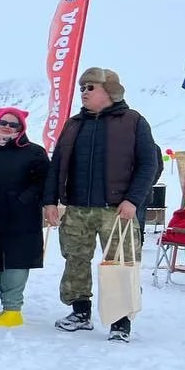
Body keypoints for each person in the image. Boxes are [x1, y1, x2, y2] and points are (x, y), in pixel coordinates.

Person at [43, 67, 158, 342]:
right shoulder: (73, 124)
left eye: (90, 87)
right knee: (75, 259)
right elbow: (57, 165)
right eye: (82, 88)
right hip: (77, 208)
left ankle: (120, 322)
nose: (84, 92)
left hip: (117, 210)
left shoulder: (133, 121)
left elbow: (149, 164)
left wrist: (133, 199)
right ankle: (80, 313)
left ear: (110, 90)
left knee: (120, 263)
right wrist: (50, 201)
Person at [0, 108, 50, 327]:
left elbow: (45, 181)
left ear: (21, 128)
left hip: (21, 217)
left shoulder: (34, 152)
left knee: (16, 262)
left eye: (14, 124)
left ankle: (13, 309)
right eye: (4, 123)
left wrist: (23, 199)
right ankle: (7, 307)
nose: (8, 127)